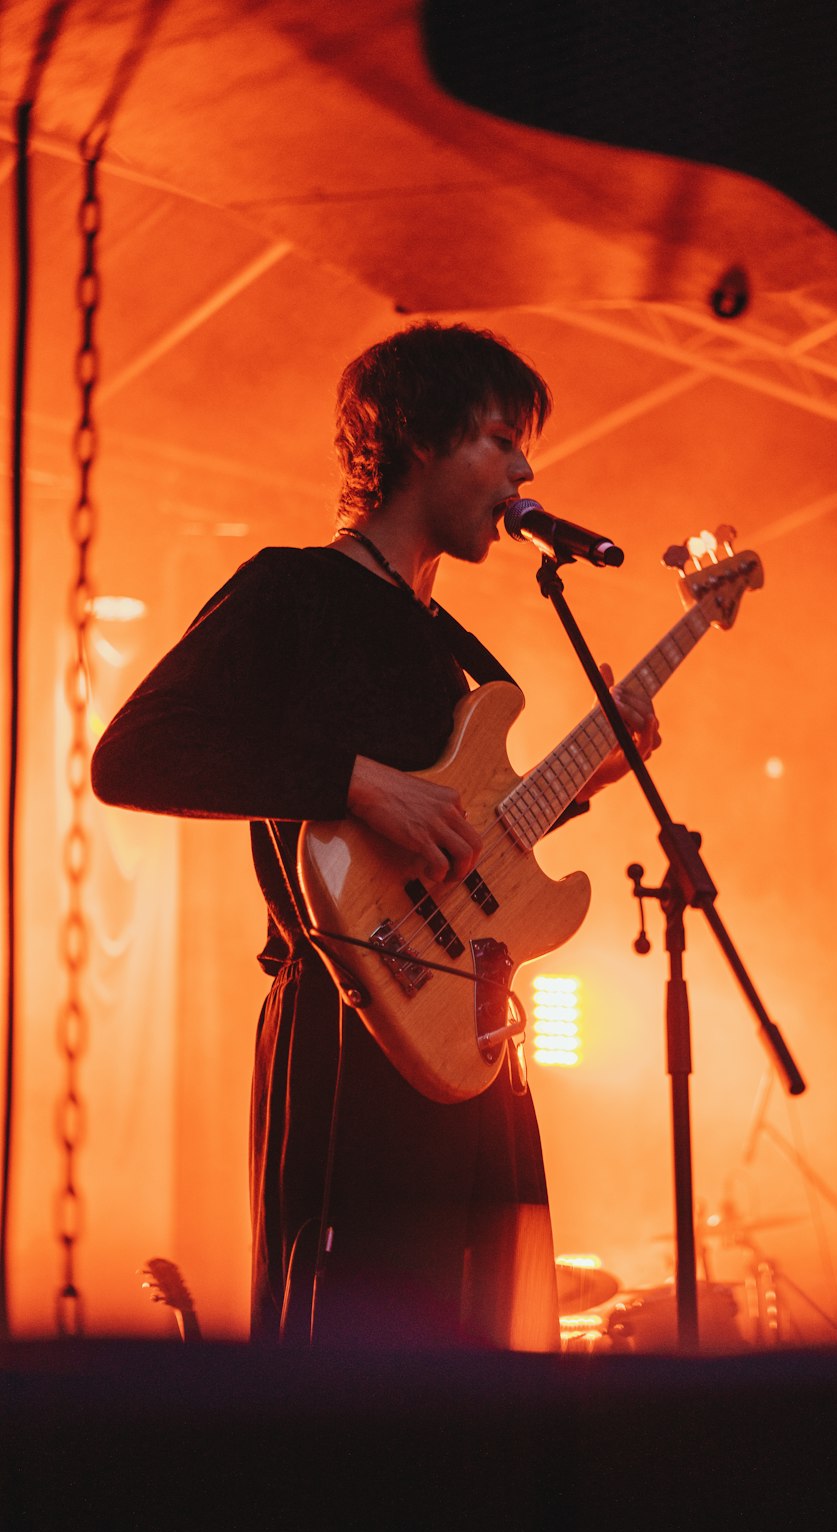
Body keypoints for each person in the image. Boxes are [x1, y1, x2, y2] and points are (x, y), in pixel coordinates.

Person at [91, 322, 659, 1351]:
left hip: (469, 1037)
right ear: (420, 440)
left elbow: (464, 850)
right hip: (348, 1026)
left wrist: (587, 780)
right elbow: (131, 757)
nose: (524, 468)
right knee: (365, 1361)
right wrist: (352, 783)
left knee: (477, 1363)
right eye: (498, 437)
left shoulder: (449, 645)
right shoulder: (294, 590)